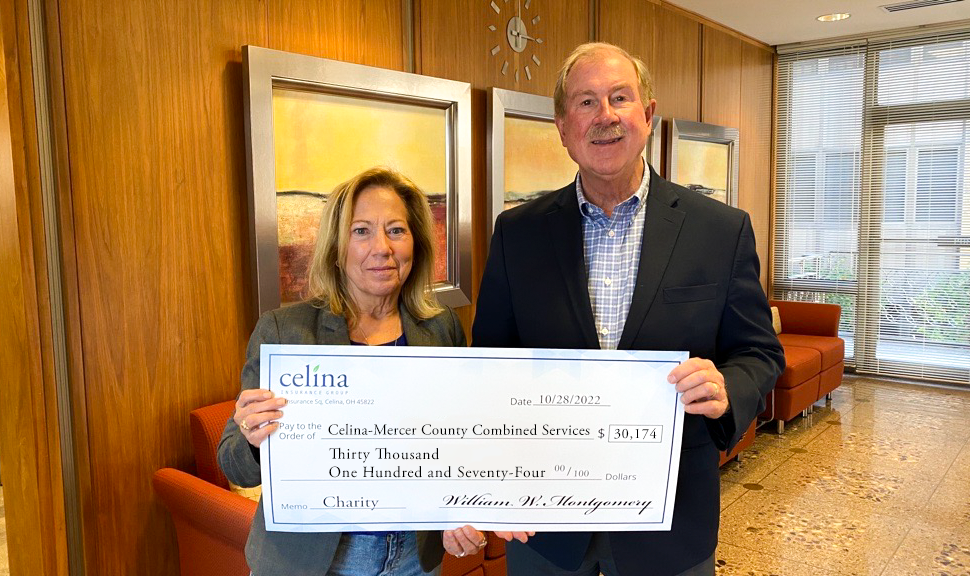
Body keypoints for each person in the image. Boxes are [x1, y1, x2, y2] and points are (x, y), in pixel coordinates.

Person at [472, 43, 785, 576]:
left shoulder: (719, 231)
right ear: (562, 125)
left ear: (648, 115)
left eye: (620, 97)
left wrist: (728, 387)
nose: (606, 116)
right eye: (586, 102)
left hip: (670, 522)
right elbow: (490, 364)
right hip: (544, 523)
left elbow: (758, 351)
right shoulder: (517, 233)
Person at [218, 167, 487, 576]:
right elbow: (233, 465)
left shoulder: (440, 327)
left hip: (413, 558)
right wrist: (254, 440)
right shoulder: (284, 331)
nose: (382, 247)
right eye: (361, 231)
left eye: (396, 230)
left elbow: (456, 443)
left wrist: (462, 509)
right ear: (336, 246)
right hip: (309, 562)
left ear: (415, 242)